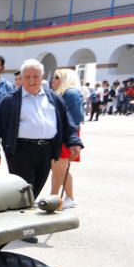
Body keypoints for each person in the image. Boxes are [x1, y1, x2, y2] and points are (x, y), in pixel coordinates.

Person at [0, 59, 82, 210]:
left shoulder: (54, 99)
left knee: (34, 189)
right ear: (21, 78)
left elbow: (67, 123)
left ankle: (22, 220)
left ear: (42, 77)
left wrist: (74, 142)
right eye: (27, 77)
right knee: (24, 190)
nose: (31, 80)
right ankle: (21, 226)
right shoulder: (10, 100)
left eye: (35, 76)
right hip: (21, 151)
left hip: (46, 151)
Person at [50, 68, 84, 209]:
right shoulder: (61, 93)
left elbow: (74, 118)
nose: (53, 80)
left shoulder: (71, 93)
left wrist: (72, 140)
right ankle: (54, 197)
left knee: (60, 168)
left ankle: (69, 197)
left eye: (57, 77)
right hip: (58, 134)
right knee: (56, 168)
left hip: (66, 135)